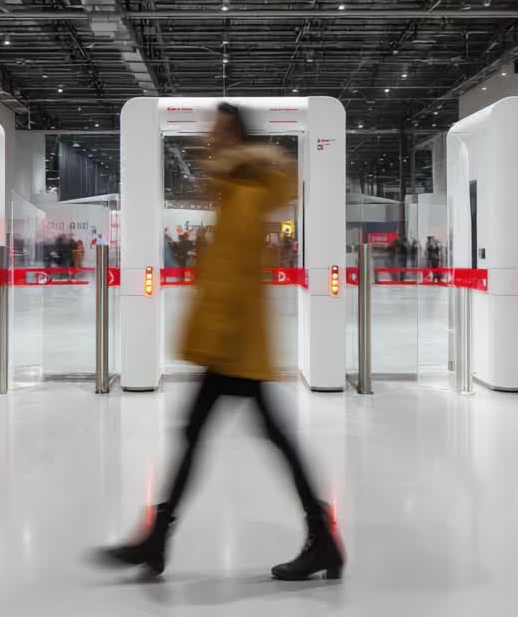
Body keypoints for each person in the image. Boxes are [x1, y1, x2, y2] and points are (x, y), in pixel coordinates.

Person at [95, 102, 344, 581]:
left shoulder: (245, 193)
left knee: (239, 438)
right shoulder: (232, 193)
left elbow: (230, 277)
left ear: (236, 140)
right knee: (222, 437)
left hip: (235, 348)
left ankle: (160, 539)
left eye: (218, 132)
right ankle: (160, 538)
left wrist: (212, 340)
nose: (208, 140)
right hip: (233, 346)